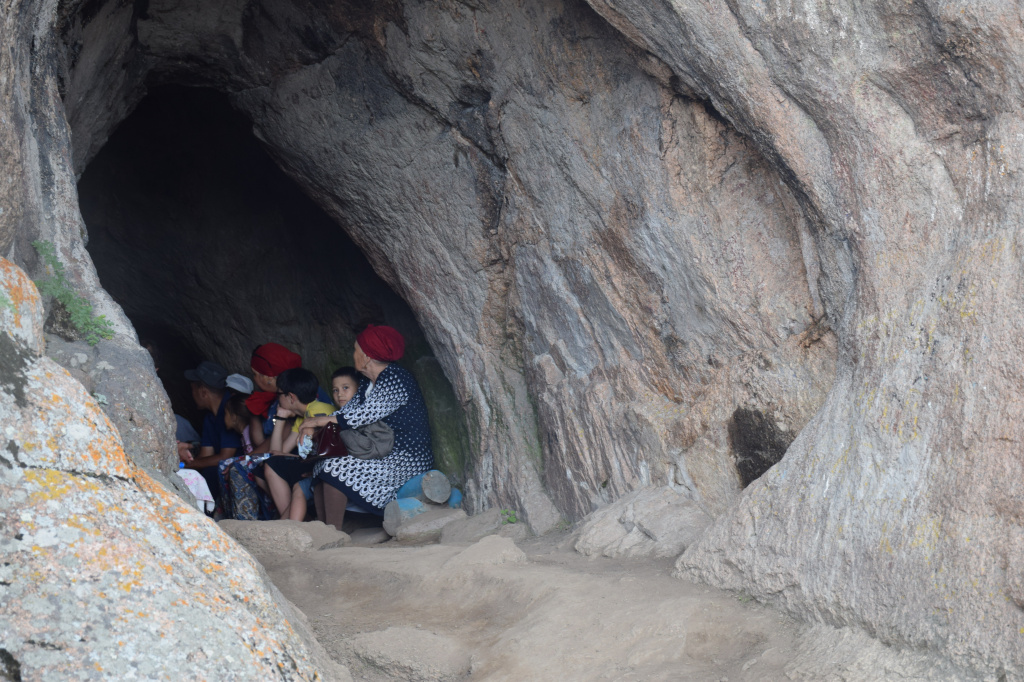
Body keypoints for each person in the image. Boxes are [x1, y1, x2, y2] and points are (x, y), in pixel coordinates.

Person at [302, 325, 434, 530]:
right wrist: (312, 424)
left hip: (405, 458)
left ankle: (333, 531)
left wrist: (315, 422)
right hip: (379, 450)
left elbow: (361, 416)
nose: (353, 354)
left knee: (336, 467)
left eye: (356, 350)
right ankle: (324, 528)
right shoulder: (366, 382)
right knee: (322, 464)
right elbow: (345, 413)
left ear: (367, 356)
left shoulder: (396, 378)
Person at [260, 368, 335, 521]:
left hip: (325, 466)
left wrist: (285, 456)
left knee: (271, 466)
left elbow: (325, 450)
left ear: (291, 397)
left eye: (279, 395)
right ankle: (296, 517)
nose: (277, 400)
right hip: (312, 463)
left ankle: (289, 522)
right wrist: (280, 419)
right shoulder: (303, 417)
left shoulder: (318, 411)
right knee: (261, 471)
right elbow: (276, 452)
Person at [180, 360, 240, 509]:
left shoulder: (230, 412)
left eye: (193, 390)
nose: (191, 394)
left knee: (211, 473)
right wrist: (185, 465)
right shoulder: (210, 418)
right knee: (203, 473)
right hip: (219, 469)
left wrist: (187, 465)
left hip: (234, 469)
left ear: (203, 392)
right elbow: (206, 455)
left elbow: (225, 457)